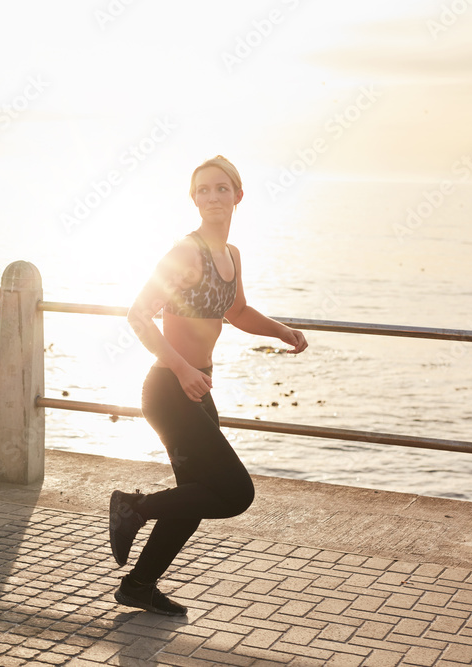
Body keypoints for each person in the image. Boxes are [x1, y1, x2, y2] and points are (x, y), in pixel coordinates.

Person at [112, 156, 308, 616]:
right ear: (193, 199)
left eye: (222, 188)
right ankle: (132, 508)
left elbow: (236, 311)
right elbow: (138, 315)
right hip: (169, 388)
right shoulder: (186, 252)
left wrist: (282, 331)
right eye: (204, 190)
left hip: (198, 391)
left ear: (239, 195)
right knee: (236, 493)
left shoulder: (231, 255)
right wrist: (181, 369)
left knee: (194, 499)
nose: (213, 197)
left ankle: (139, 585)